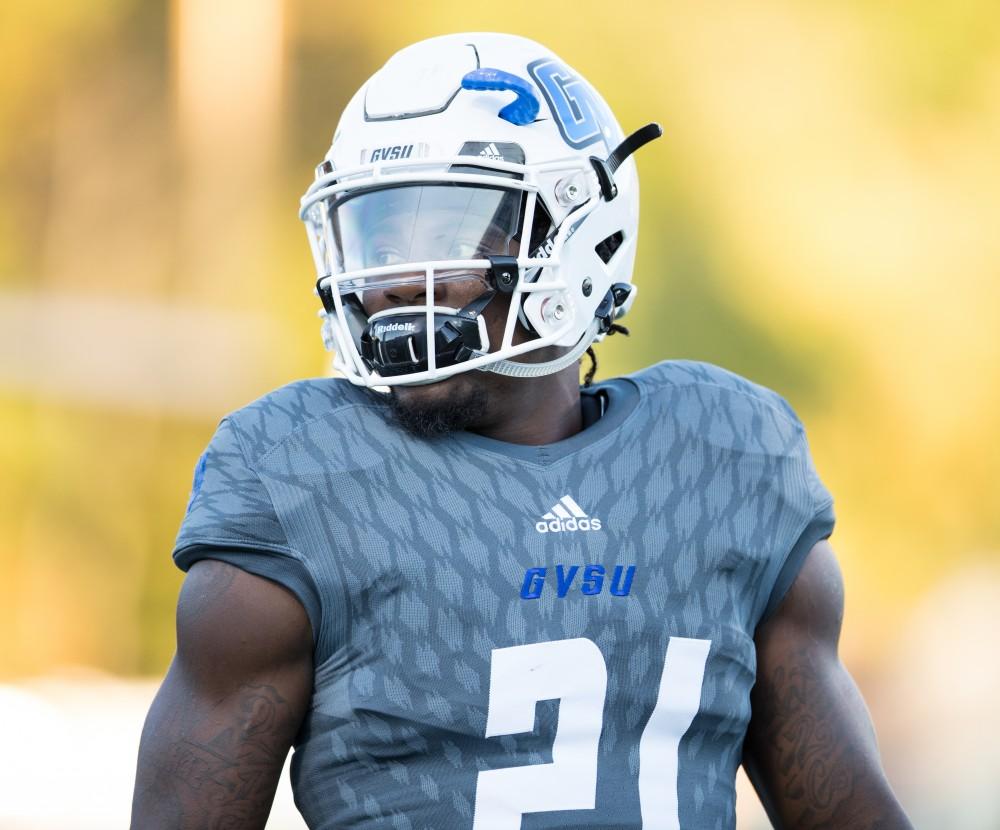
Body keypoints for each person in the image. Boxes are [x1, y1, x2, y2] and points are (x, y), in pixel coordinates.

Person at [131, 32, 912, 830]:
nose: (399, 278)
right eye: (382, 237)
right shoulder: (304, 479)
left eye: (450, 234)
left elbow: (850, 813)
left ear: (578, 233)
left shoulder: (724, 460)